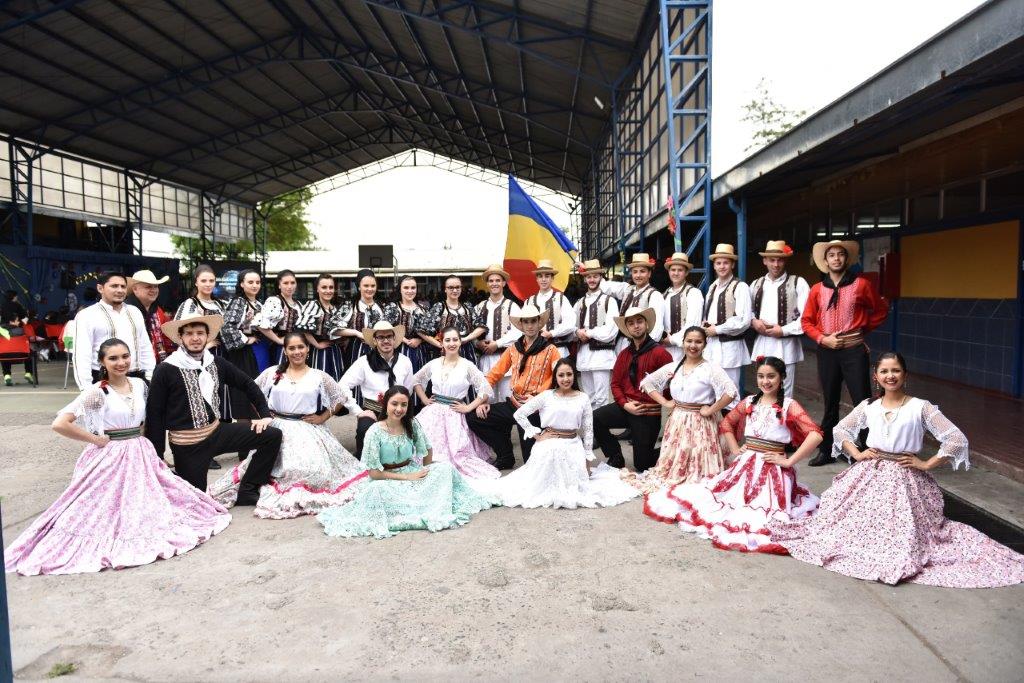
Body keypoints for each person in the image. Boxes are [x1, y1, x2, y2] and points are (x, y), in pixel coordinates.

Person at [769, 352, 1024, 587]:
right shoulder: (869, 406)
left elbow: (956, 439)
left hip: (905, 476)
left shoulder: (920, 407)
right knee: (841, 526)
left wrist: (926, 463)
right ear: (876, 376)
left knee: (901, 533)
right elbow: (840, 430)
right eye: (884, 371)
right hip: (870, 472)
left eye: (896, 371)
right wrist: (857, 453)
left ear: (905, 375)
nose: (890, 376)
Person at [5, 338, 229, 575]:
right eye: (113, 358)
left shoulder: (139, 384)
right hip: (110, 456)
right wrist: (95, 439)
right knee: (104, 508)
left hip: (139, 452)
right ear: (102, 362)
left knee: (142, 501)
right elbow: (60, 423)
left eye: (124, 356)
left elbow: (150, 415)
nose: (120, 362)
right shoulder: (98, 391)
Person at [647, 356, 821, 553]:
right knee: (723, 502)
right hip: (745, 465)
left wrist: (789, 461)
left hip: (773, 469)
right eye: (761, 376)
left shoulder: (789, 405)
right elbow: (726, 423)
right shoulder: (749, 402)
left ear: (782, 378)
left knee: (762, 513)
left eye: (771, 376)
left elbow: (815, 435)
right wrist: (736, 449)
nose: (765, 381)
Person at [208, 332, 368, 519]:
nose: (297, 352)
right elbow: (252, 391)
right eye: (291, 348)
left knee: (313, 471)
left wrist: (323, 417)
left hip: (308, 428)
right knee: (281, 469)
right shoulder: (272, 373)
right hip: (277, 428)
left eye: (301, 347)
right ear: (285, 351)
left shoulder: (318, 376)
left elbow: (340, 397)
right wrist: (263, 416)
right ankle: (251, 488)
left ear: (308, 349)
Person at [317, 386, 498, 539]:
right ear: (385, 405)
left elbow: (427, 450)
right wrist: (408, 477)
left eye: (404, 405)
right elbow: (373, 474)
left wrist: (425, 472)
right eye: (394, 404)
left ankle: (424, 501)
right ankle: (419, 504)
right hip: (386, 480)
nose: (399, 409)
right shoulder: (374, 431)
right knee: (375, 491)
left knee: (445, 469)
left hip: (412, 471)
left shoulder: (412, 424)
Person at [145, 313, 283, 500]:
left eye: (200, 333)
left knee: (272, 436)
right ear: (181, 337)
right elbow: (155, 414)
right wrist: (157, 455)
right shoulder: (166, 369)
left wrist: (265, 414)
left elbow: (248, 384)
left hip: (217, 433)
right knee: (196, 500)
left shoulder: (216, 362)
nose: (195, 338)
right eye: (189, 333)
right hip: (188, 445)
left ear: (207, 336)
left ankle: (248, 489)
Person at [473, 359, 639, 509]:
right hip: (548, 445)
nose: (565, 379)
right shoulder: (546, 396)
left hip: (573, 446)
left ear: (574, 376)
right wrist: (536, 435)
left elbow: (588, 431)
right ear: (555, 377)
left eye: (569, 374)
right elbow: (519, 414)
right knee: (534, 487)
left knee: (579, 487)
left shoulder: (582, 398)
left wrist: (587, 459)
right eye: (561, 375)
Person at [802, 239, 889, 466]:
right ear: (826, 260)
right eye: (832, 255)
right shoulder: (816, 290)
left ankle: (866, 447)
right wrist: (823, 339)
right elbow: (806, 321)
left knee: (863, 401)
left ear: (846, 259)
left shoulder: (861, 285)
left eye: (841, 254)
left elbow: (880, 309)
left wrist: (861, 330)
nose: (837, 258)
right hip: (827, 351)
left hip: (854, 350)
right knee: (830, 401)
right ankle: (827, 449)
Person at [624, 325, 735, 494]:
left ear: (705, 345)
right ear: (683, 343)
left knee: (698, 463)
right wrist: (666, 402)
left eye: (698, 342)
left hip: (701, 422)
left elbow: (731, 392)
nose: (693, 345)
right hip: (678, 419)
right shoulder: (674, 366)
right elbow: (647, 383)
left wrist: (712, 409)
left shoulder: (711, 368)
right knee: (677, 459)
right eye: (689, 341)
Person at [465, 304, 562, 470]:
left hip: (537, 409)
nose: (530, 325)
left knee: (531, 465)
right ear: (522, 325)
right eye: (526, 322)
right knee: (475, 417)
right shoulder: (513, 349)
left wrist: (540, 398)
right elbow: (493, 375)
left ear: (539, 323)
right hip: (515, 404)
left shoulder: (551, 350)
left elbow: (558, 379)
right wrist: (482, 399)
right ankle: (505, 455)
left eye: (533, 321)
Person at [591, 307, 672, 472]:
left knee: (642, 464)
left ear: (647, 325)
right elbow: (615, 384)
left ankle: (672, 450)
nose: (636, 326)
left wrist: (671, 408)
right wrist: (625, 404)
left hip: (646, 413)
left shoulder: (661, 354)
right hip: (626, 407)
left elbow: (671, 386)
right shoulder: (624, 355)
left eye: (639, 321)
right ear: (627, 328)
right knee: (595, 418)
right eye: (631, 323)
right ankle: (615, 456)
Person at [413, 327, 499, 480]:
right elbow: (416, 380)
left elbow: (485, 389)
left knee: (455, 452)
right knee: (422, 448)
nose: (451, 343)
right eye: (447, 340)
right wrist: (424, 399)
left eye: (455, 339)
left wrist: (468, 407)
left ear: (460, 342)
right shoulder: (434, 363)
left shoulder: (467, 365)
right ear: (442, 343)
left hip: (454, 412)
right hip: (433, 412)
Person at [338, 320, 415, 458]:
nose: (385, 341)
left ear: (394, 339)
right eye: (380, 337)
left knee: (410, 440)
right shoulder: (364, 362)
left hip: (398, 411)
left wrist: (401, 410)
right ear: (374, 340)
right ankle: (365, 466)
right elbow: (342, 386)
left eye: (389, 337)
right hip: (373, 411)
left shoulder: (405, 361)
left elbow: (408, 390)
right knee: (365, 430)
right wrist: (358, 411)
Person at [73, 272, 155, 389]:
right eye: (114, 286)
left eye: (123, 286)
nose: (120, 290)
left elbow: (145, 346)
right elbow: (82, 354)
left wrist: (149, 375)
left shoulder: (134, 312)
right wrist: (86, 388)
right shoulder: (87, 315)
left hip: (136, 377)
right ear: (100, 288)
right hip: (103, 377)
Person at [748, 241, 809, 398]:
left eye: (780, 260)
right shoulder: (755, 284)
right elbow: (746, 312)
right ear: (765, 261)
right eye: (772, 260)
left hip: (786, 345)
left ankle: (782, 422)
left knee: (784, 392)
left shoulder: (798, 283)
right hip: (762, 343)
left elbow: (807, 319)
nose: (776, 264)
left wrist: (783, 330)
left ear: (785, 260)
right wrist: (754, 321)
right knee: (763, 388)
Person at [220, 269, 264, 461]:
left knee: (255, 394)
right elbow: (226, 325)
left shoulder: (259, 303)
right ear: (241, 284)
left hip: (256, 352)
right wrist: (245, 340)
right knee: (243, 396)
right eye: (250, 282)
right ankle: (244, 447)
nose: (254, 285)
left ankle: (255, 442)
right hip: (242, 354)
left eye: (257, 282)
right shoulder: (238, 302)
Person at [700, 244, 751, 406]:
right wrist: (706, 324)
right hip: (712, 347)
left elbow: (743, 320)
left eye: (726, 263)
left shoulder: (740, 287)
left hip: (730, 348)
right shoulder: (713, 287)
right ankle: (716, 430)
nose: (722, 266)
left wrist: (717, 329)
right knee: (712, 392)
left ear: (732, 264)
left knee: (731, 394)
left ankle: (732, 431)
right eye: (718, 263)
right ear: (714, 265)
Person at [572, 259, 620, 409]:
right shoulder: (579, 303)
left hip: (602, 357)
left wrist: (589, 333)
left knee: (601, 399)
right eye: (589, 277)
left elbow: (611, 331)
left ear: (601, 277)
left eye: (595, 276)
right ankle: (591, 432)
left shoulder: (609, 301)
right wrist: (576, 332)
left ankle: (601, 432)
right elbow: (571, 328)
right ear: (585, 279)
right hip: (584, 356)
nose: (592, 280)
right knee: (588, 399)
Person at [598, 253, 665, 354]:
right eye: (635, 272)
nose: (638, 275)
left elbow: (656, 328)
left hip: (643, 347)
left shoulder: (654, 295)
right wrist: (591, 270)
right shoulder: (627, 289)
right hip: (622, 344)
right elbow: (605, 286)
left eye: (642, 271)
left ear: (649, 274)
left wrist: (644, 348)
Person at [472, 264, 521, 403]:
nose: (494, 283)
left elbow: (518, 331)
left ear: (504, 283)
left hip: (506, 357)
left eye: (498, 280)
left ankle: (506, 425)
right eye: (491, 280)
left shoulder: (512, 306)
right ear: (487, 284)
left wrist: (497, 343)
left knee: (506, 398)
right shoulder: (479, 307)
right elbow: (472, 332)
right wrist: (477, 343)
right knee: (487, 399)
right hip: (486, 359)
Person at [421, 274, 487, 362]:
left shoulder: (467, 307)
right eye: (451, 287)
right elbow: (421, 330)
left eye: (458, 287)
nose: (455, 290)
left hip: (467, 351)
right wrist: (439, 344)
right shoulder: (439, 307)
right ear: (445, 289)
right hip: (445, 353)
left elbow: (481, 327)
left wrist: (466, 339)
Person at [296, 273, 346, 381]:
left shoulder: (335, 308)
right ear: (317, 289)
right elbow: (303, 328)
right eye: (324, 287)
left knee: (335, 380)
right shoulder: (313, 305)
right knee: (319, 380)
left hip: (335, 351)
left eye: (331, 287)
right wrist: (317, 345)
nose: (328, 290)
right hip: (319, 352)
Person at [524, 259, 576, 358]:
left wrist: (552, 333)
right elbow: (522, 326)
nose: (543, 279)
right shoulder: (529, 301)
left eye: (547, 276)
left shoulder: (561, 299)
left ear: (552, 278)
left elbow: (570, 323)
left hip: (558, 350)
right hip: (536, 351)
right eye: (540, 276)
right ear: (537, 279)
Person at [335, 268, 384, 371]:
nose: (370, 289)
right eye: (366, 286)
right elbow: (334, 329)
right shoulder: (350, 305)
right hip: (356, 350)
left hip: (380, 350)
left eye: (373, 286)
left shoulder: (382, 306)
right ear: (359, 287)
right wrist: (356, 333)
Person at [660, 252, 704, 363]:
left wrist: (671, 340)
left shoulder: (694, 293)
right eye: (673, 270)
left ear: (686, 272)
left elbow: (693, 324)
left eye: (680, 270)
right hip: (664, 348)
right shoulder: (664, 295)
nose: (676, 273)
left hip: (685, 349)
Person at [125, 269, 175, 363]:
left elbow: (166, 336)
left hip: (159, 363)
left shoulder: (158, 310)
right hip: (134, 365)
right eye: (148, 287)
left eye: (155, 286)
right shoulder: (125, 311)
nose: (153, 290)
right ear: (135, 289)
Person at [384, 275, 430, 375]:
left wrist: (420, 340)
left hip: (420, 351)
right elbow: (385, 327)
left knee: (419, 379)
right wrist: (405, 340)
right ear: (400, 289)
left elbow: (431, 331)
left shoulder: (423, 309)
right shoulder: (392, 307)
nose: (410, 291)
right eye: (406, 288)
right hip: (398, 350)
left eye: (413, 288)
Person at [256, 269, 304, 365]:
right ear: (279, 285)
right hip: (281, 349)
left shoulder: (298, 304)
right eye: (285, 283)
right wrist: (278, 340)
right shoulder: (275, 301)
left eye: (292, 283)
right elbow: (260, 324)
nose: (289, 286)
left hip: (297, 348)